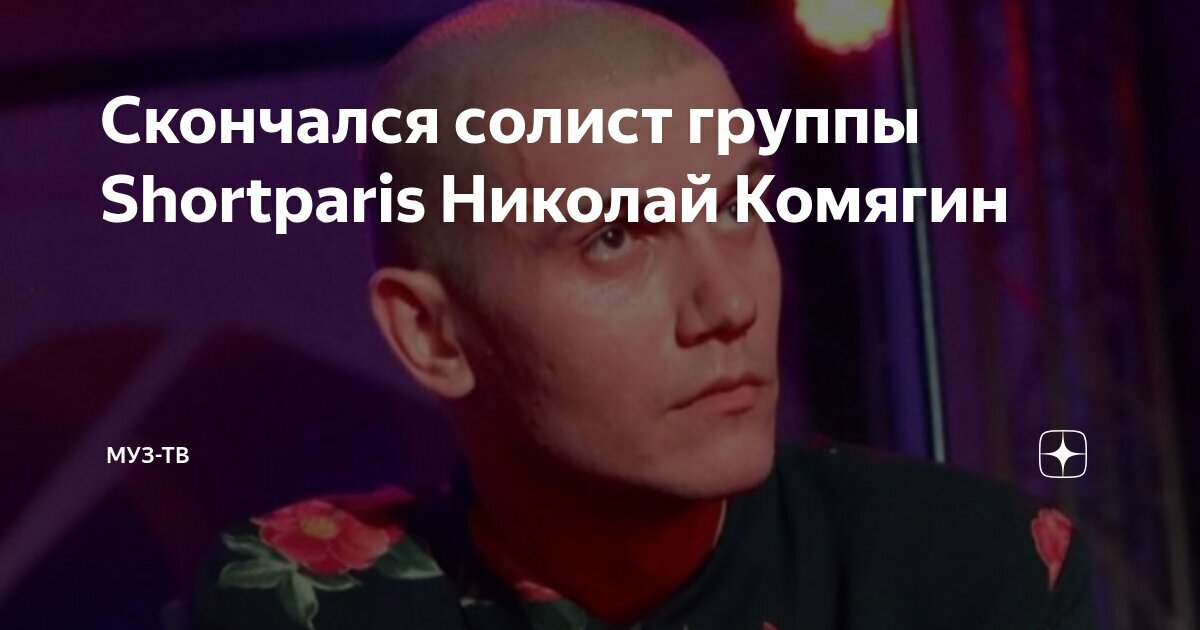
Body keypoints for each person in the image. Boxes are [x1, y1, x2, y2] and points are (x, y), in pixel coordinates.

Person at [189, 1, 1098, 628]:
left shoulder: (967, 574)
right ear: (432, 335)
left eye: (737, 207)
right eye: (614, 239)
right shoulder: (306, 609)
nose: (729, 304)